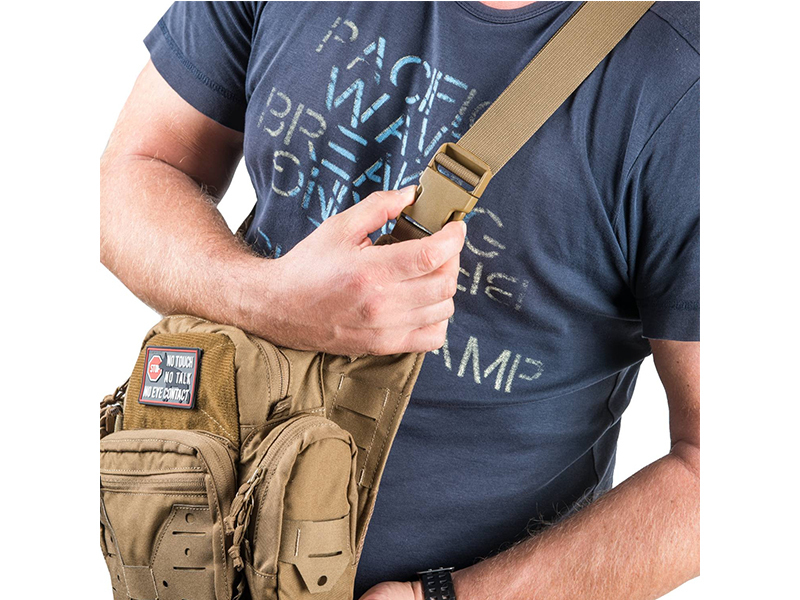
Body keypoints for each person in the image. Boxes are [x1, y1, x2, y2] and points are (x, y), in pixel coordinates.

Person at [100, 2, 700, 598]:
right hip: (193, 561)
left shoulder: (686, 75)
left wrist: (439, 599)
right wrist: (264, 297)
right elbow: (132, 170)